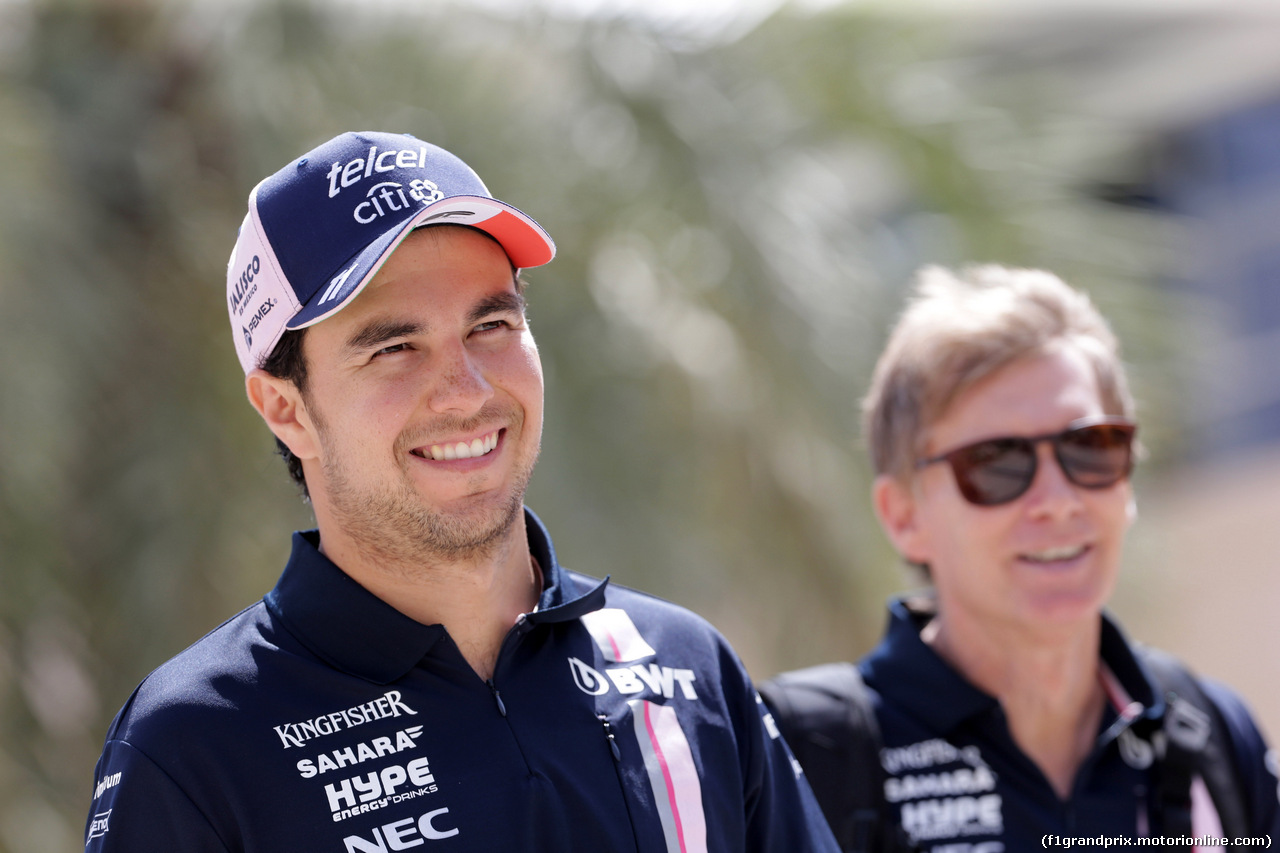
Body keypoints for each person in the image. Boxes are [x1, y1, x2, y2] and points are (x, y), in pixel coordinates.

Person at [84, 130, 839, 852]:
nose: (466, 391)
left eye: (491, 327)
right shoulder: (193, 745)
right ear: (287, 409)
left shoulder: (687, 667)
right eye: (395, 348)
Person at [760, 265, 1280, 853]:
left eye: (1091, 447)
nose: (1057, 501)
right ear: (904, 515)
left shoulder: (1210, 734)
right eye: (997, 463)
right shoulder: (799, 752)